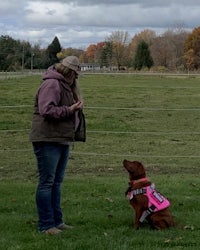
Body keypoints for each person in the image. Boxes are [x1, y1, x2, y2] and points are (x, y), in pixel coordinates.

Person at [29, 56, 86, 235]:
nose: (76, 78)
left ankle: (57, 222)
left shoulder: (65, 85)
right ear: (69, 72)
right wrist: (70, 110)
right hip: (47, 139)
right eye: (75, 74)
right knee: (47, 183)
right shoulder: (52, 84)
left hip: (60, 139)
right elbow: (46, 109)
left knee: (56, 183)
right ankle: (46, 225)